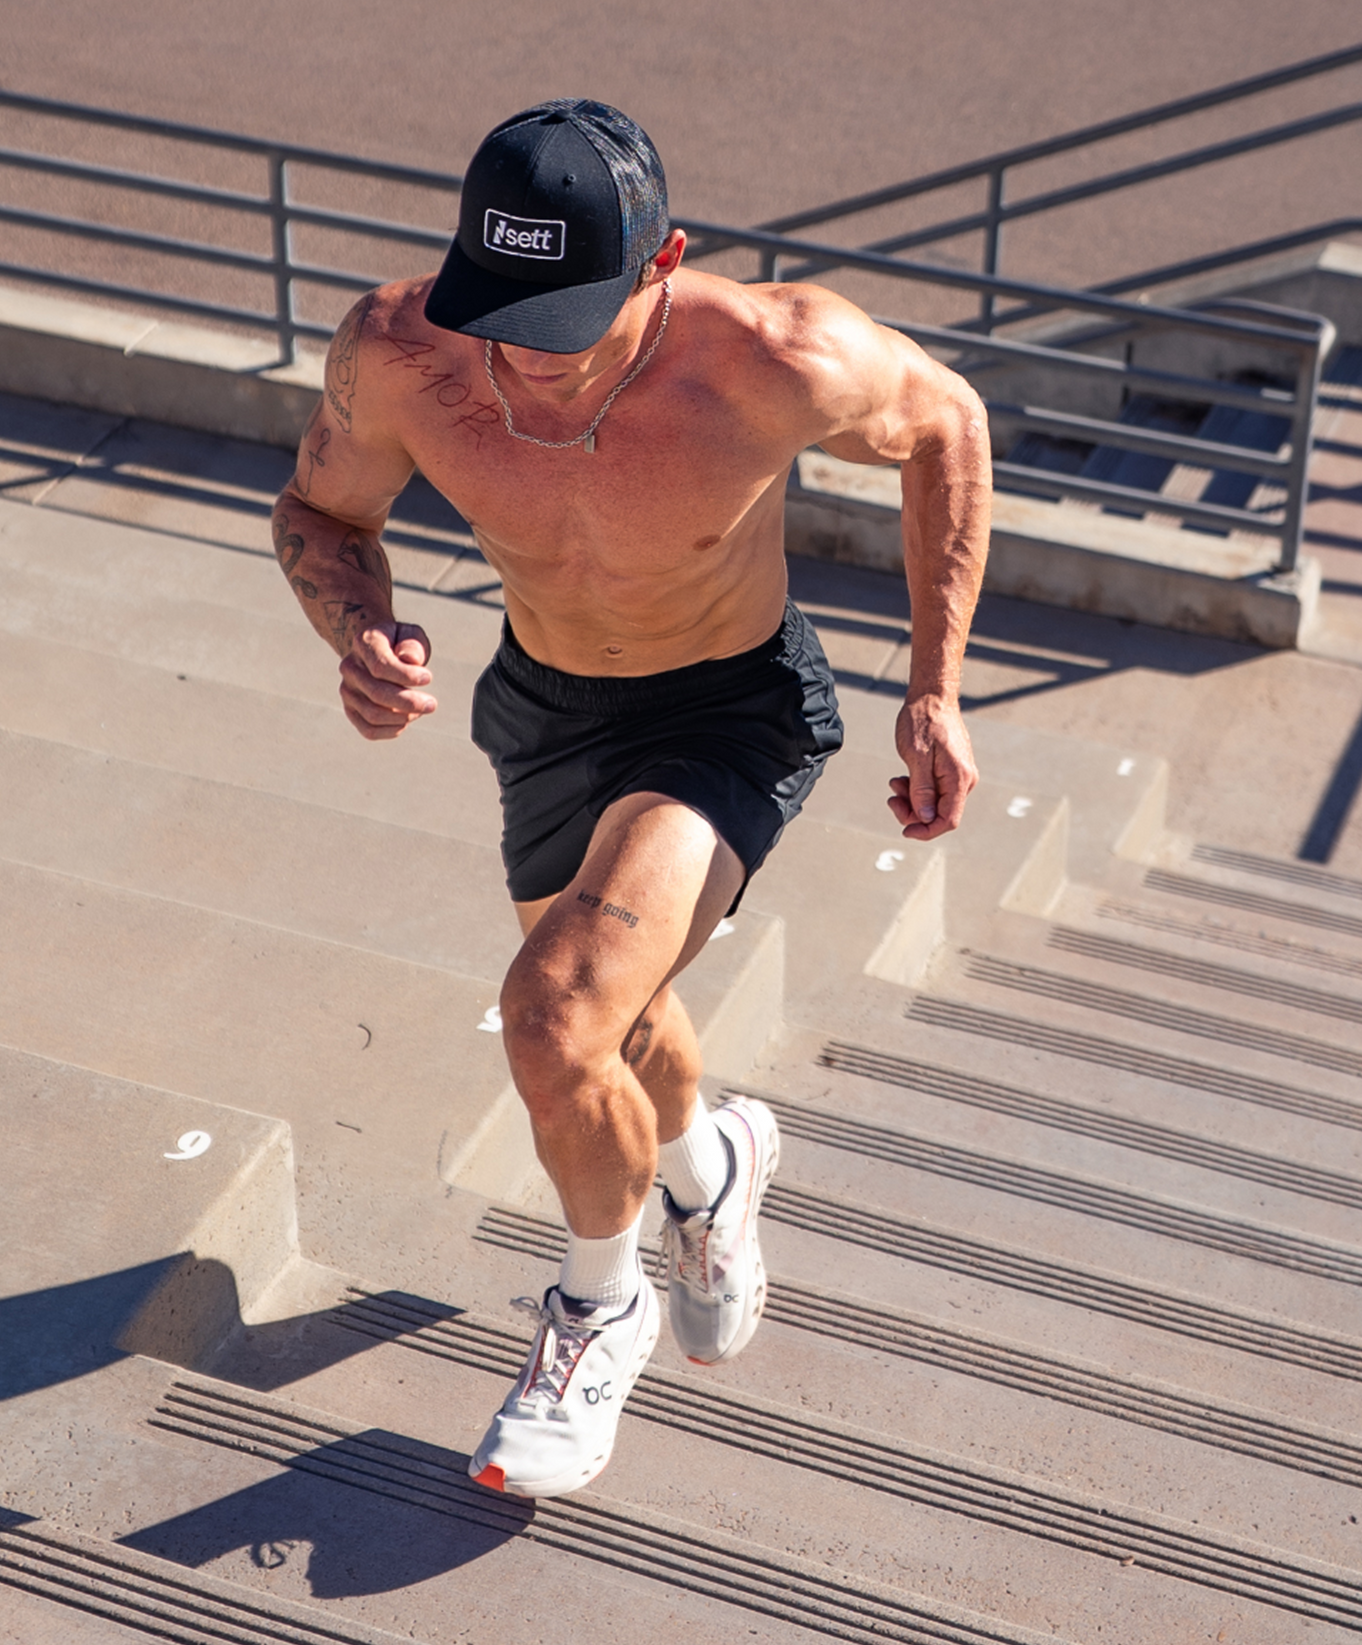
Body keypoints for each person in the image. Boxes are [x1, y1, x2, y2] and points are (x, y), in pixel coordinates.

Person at [271, 98, 989, 1497]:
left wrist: (936, 687)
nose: (526, 366)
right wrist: (354, 630)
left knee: (555, 1008)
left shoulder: (780, 357)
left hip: (727, 708)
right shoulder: (404, 352)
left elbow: (947, 424)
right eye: (503, 314)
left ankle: (598, 1311)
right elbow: (322, 516)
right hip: (548, 707)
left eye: (566, 325)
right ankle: (711, 1167)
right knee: (618, 1019)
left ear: (663, 263)